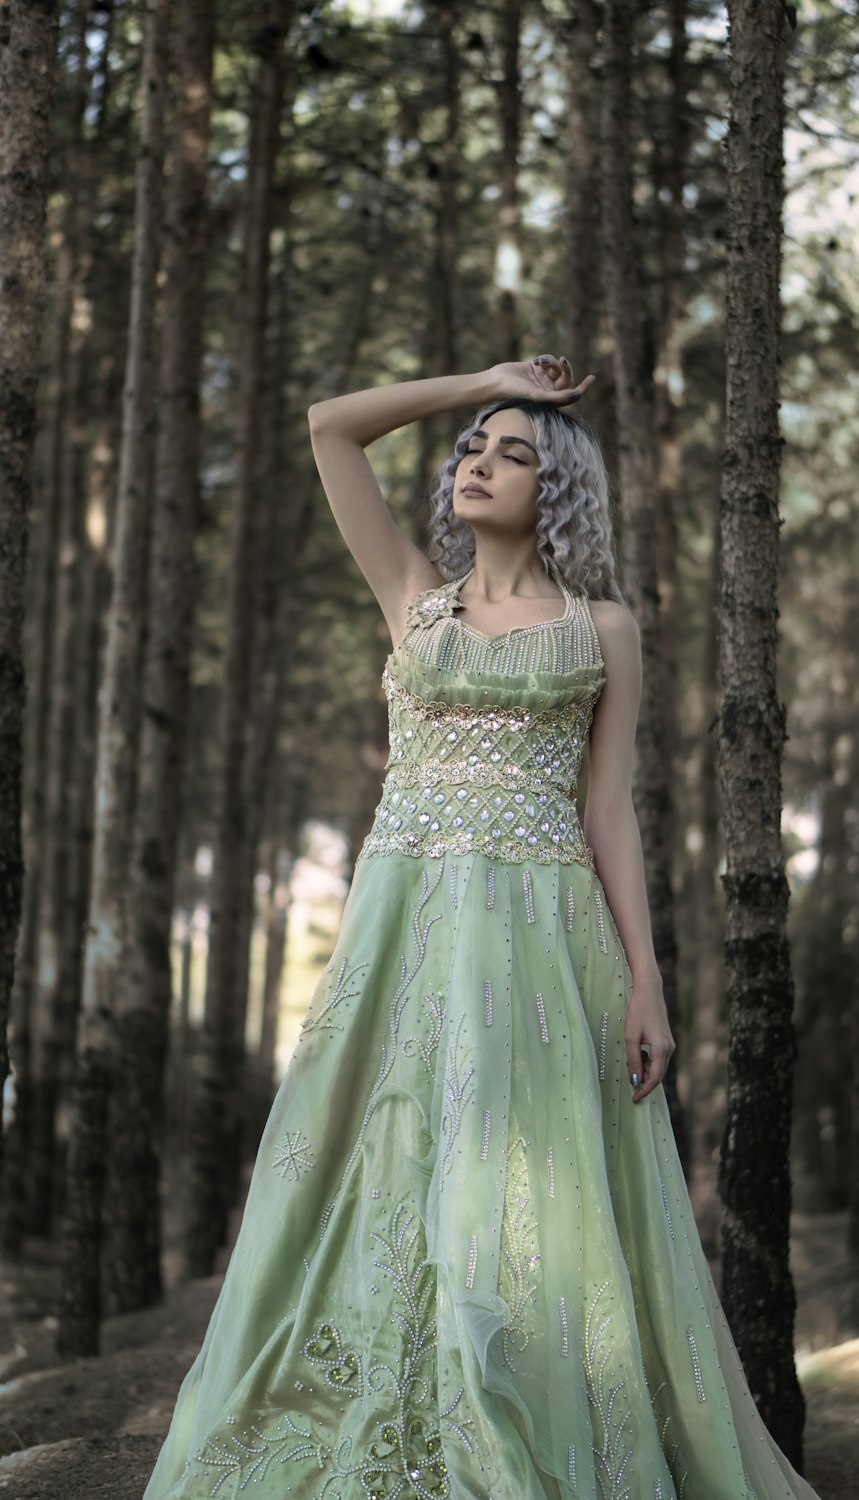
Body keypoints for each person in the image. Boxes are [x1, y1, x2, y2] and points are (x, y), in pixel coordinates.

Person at [143, 358, 821, 1500]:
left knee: (520, 1198)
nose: (477, 462)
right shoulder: (415, 595)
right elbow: (327, 428)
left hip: (546, 942)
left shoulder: (602, 627)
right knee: (381, 1165)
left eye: (511, 452)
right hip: (405, 926)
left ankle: (516, 1431)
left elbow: (608, 814)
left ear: (554, 487)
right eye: (472, 447)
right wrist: (484, 382)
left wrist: (645, 984)